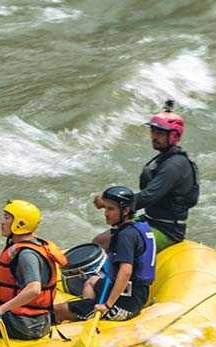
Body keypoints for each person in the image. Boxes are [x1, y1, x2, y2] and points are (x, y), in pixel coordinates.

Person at [96, 100, 200, 253]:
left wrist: (109, 203)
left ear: (173, 135)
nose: (154, 136)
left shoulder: (175, 165)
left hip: (167, 230)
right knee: (99, 242)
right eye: (153, 131)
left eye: (159, 133)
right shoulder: (164, 159)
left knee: (116, 244)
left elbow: (148, 196)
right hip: (149, 220)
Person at [0, 200, 66, 342]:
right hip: (22, 316)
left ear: (20, 224)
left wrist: (1, 310)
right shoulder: (28, 246)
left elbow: (34, 289)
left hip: (26, 323)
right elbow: (16, 278)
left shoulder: (27, 254)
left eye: (7, 218)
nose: (1, 222)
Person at [59, 186, 155, 323]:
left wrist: (107, 305)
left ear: (126, 211)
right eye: (105, 208)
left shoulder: (125, 236)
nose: (106, 213)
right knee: (91, 282)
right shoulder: (138, 228)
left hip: (123, 305)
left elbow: (126, 271)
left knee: (58, 310)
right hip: (138, 295)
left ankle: (88, 314)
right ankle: (86, 313)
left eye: (110, 209)